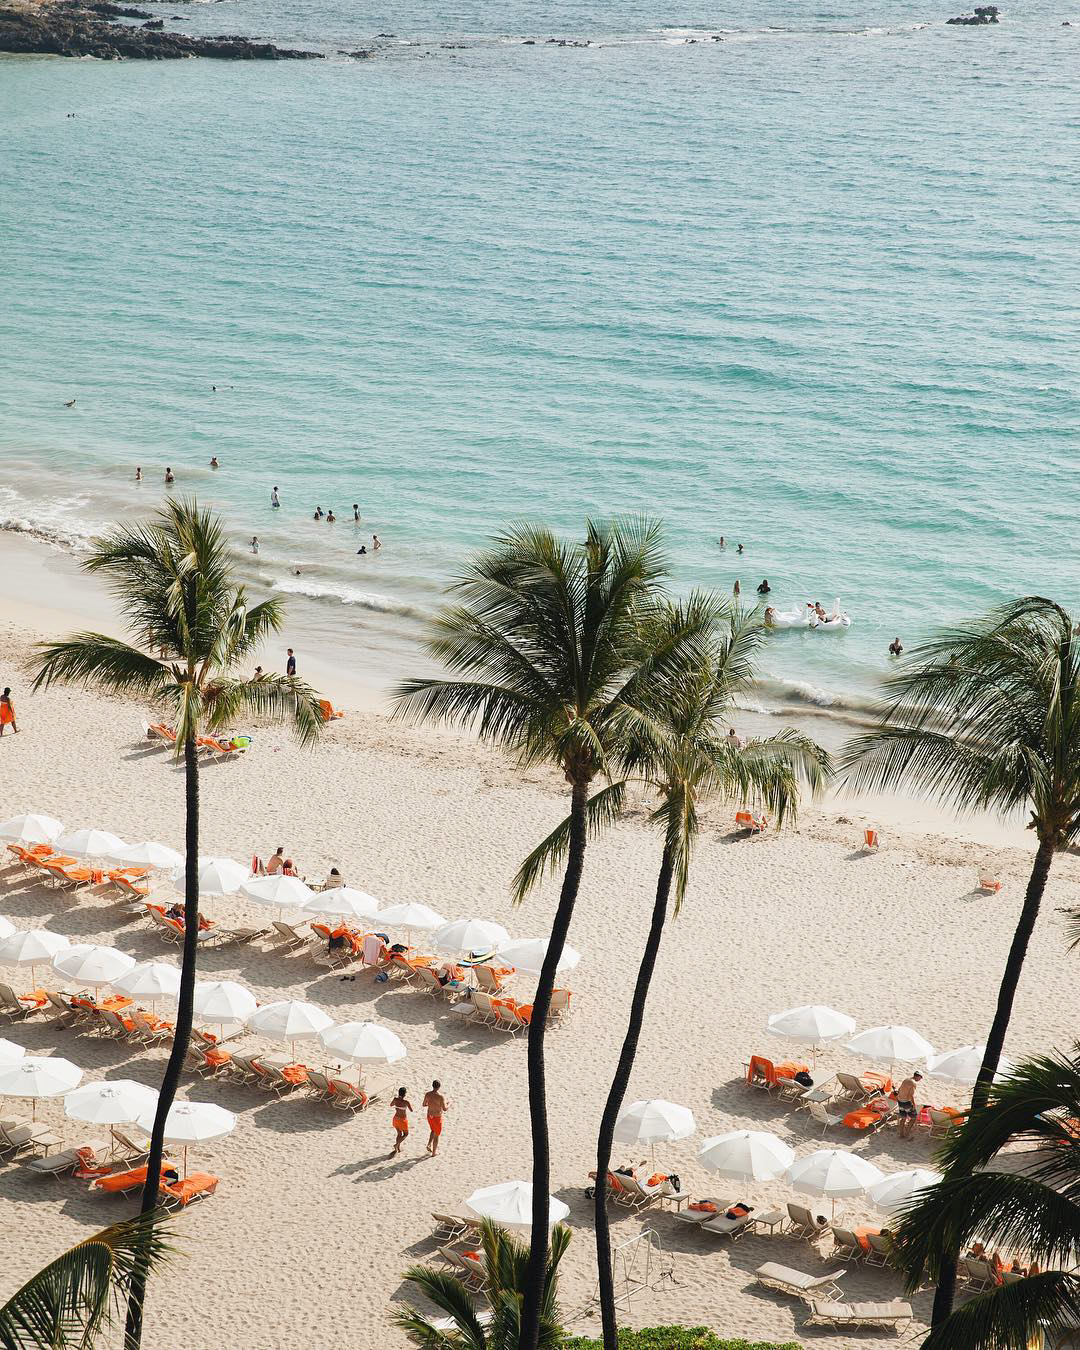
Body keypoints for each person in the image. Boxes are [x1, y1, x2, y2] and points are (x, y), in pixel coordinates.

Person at [422, 1080, 448, 1156]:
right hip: (437, 1117)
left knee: (433, 1130)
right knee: (436, 1135)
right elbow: (445, 1109)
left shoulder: (427, 1094)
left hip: (429, 1116)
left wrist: (431, 1104)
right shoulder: (440, 1097)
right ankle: (434, 1153)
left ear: (432, 1085)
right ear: (439, 1087)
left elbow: (424, 1104)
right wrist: (448, 1104)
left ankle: (429, 1144)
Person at [895, 1070, 922, 1139]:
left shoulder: (906, 1080)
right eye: (921, 1078)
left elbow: (899, 1089)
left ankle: (901, 1134)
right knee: (914, 1118)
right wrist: (914, 1104)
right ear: (918, 1076)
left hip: (900, 1101)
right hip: (906, 1102)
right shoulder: (913, 1083)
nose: (920, 1079)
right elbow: (910, 1095)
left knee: (903, 1118)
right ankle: (907, 1133)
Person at [389, 1087, 412, 1156]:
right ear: (405, 1094)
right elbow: (411, 1110)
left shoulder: (395, 1099)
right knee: (406, 1134)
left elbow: (391, 1105)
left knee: (399, 1134)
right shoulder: (406, 1102)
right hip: (402, 1120)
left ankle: (397, 1149)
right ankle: (396, 1144)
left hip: (396, 1118)